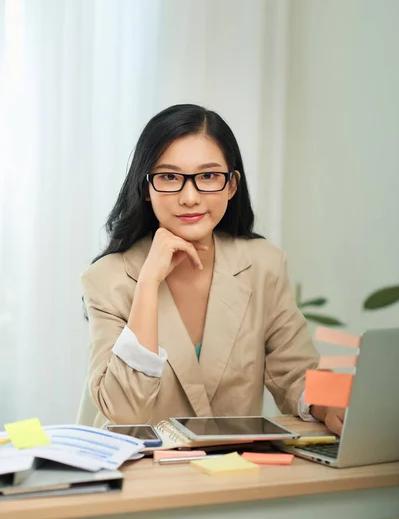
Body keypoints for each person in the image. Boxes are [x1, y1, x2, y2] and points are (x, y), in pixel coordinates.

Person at [79, 104, 344, 435]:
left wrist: (333, 402)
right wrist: (148, 282)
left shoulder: (263, 264)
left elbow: (296, 370)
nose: (189, 197)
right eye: (169, 177)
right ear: (146, 188)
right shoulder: (106, 279)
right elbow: (124, 411)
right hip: (141, 476)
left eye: (207, 176)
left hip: (234, 473)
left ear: (232, 186)